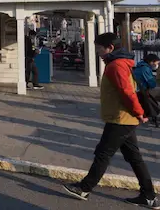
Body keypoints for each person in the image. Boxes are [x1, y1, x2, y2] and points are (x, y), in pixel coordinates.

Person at [63, 33, 159, 208]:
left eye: (99, 48)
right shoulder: (120, 63)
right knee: (134, 157)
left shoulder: (116, 65)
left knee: (103, 154)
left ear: (110, 48)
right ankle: (149, 196)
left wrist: (138, 113)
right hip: (122, 118)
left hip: (121, 119)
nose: (98, 52)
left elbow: (127, 93)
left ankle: (84, 188)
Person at [133, 53, 160, 127]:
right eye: (156, 63)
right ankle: (154, 112)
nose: (157, 65)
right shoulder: (145, 68)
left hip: (139, 89)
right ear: (151, 62)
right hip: (142, 91)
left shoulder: (140, 66)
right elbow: (152, 84)